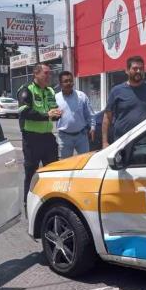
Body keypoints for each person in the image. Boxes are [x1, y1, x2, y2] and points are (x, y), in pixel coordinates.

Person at [18, 63, 61, 204]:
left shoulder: (50, 91)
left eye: (50, 73)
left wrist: (57, 114)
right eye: (46, 73)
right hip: (31, 138)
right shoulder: (26, 90)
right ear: (36, 74)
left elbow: (52, 110)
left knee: (53, 170)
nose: (49, 76)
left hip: (48, 137)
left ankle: (51, 199)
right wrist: (47, 115)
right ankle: (28, 202)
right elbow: (24, 112)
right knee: (31, 172)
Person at [102, 55, 146, 148]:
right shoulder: (116, 91)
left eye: (141, 68)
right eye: (135, 68)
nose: (138, 71)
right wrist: (104, 142)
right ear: (127, 70)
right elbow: (107, 118)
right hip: (122, 143)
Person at [55, 71, 96, 158]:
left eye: (70, 80)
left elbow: (89, 114)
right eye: (65, 81)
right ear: (60, 84)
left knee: (85, 161)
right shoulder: (56, 98)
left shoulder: (81, 96)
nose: (69, 83)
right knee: (65, 165)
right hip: (64, 138)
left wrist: (92, 127)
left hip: (81, 136)